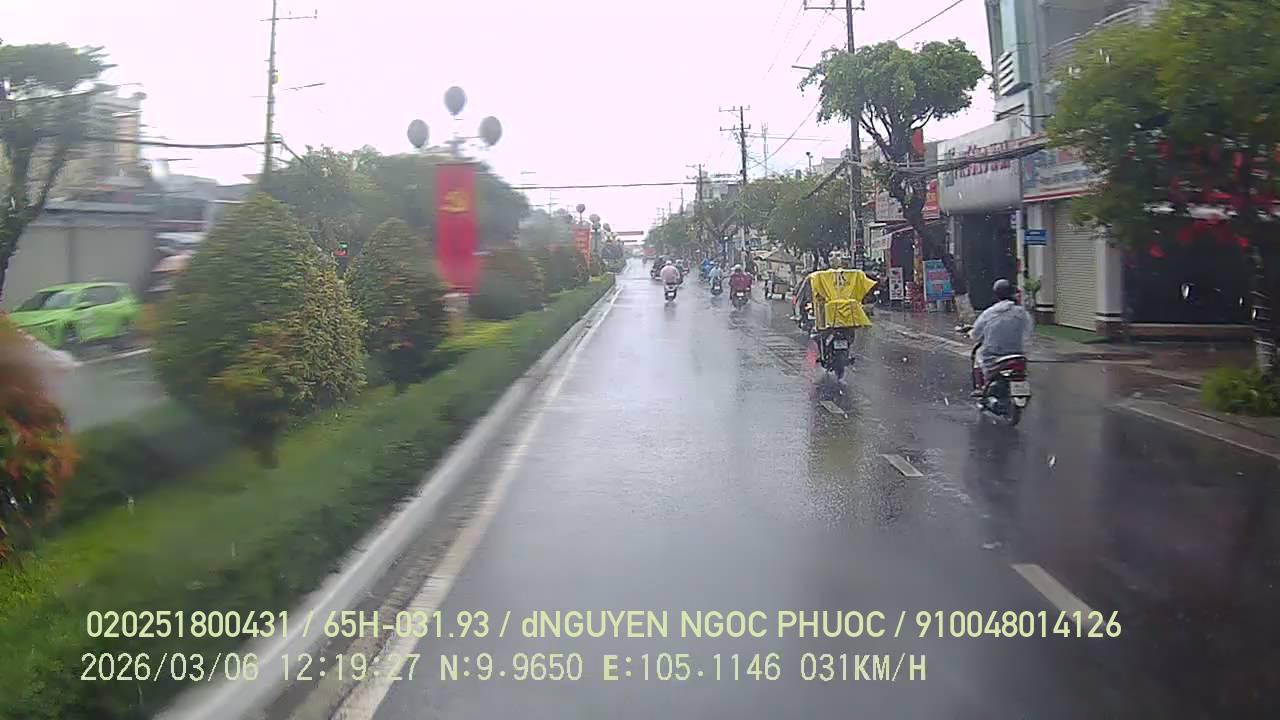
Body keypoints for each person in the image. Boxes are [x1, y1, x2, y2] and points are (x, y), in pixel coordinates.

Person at [968, 278, 1034, 396]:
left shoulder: (990, 312)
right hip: (1018, 354)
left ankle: (980, 388)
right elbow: (1028, 332)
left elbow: (976, 333)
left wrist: (972, 334)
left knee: (978, 355)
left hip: (993, 355)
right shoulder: (1022, 313)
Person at [804, 251, 876, 336]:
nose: (834, 259)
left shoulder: (821, 275)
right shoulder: (821, 275)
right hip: (836, 315)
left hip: (837, 316)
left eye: (837, 256)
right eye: (831, 256)